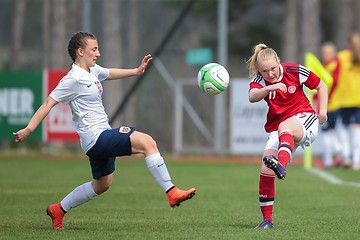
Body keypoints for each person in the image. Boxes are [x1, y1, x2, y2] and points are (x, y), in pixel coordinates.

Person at [13, 31, 196, 230]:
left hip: (97, 139)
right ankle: (171, 192)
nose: (98, 53)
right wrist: (29, 129)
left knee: (102, 185)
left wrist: (136, 71)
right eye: (94, 49)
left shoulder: (91, 71)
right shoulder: (72, 79)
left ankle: (58, 209)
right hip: (97, 137)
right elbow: (49, 103)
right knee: (147, 143)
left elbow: (108, 73)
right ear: (80, 51)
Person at [247, 43, 328, 228]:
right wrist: (268, 89)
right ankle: (267, 220)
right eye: (265, 71)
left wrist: (322, 111)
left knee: (285, 126)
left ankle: (281, 165)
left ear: (279, 62)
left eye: (273, 68)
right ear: (260, 70)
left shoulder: (294, 70)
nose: (271, 74)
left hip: (305, 119)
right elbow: (252, 96)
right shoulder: (260, 80)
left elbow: (321, 86)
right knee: (265, 169)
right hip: (279, 129)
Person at [336, 32, 360, 170]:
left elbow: (334, 76)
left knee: (343, 127)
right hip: (359, 99)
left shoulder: (342, 56)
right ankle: (357, 160)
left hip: (344, 98)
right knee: (357, 129)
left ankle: (346, 156)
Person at [318, 42, 343, 168]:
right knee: (329, 131)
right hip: (328, 103)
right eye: (324, 53)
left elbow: (333, 83)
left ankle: (337, 153)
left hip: (332, 103)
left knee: (328, 131)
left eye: (328, 52)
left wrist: (326, 97)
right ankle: (332, 157)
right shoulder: (324, 66)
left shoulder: (334, 65)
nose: (325, 55)